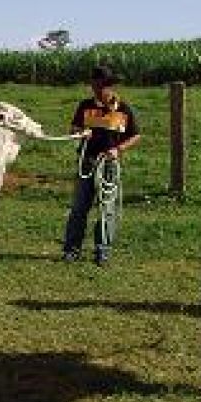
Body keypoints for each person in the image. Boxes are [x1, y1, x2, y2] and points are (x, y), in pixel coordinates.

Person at [61, 65, 141, 266]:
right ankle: (72, 249)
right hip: (87, 162)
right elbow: (74, 128)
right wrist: (80, 133)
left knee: (107, 208)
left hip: (109, 164)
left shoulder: (123, 109)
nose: (97, 90)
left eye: (101, 86)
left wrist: (118, 149)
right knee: (80, 207)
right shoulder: (85, 106)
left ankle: (102, 249)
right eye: (95, 86)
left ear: (110, 87)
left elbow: (135, 135)